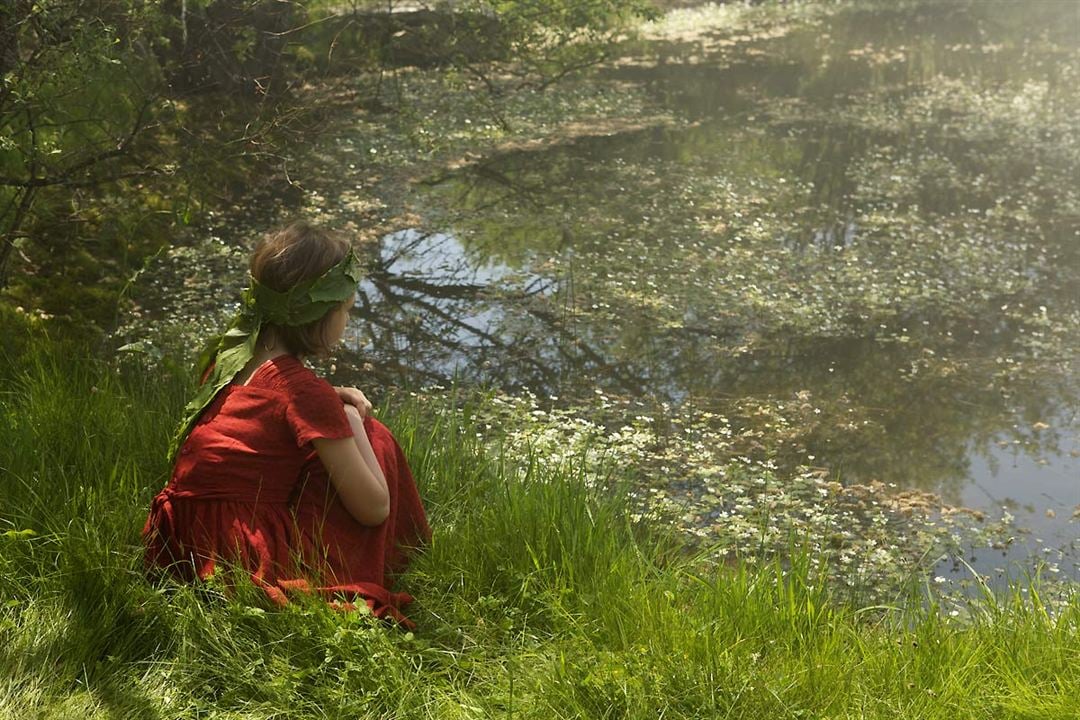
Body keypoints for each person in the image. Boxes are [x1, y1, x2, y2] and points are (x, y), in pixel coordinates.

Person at [143, 220, 430, 626]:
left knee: (330, 447)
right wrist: (347, 416)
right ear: (320, 315)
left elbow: (270, 410)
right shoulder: (303, 393)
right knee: (373, 436)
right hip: (238, 553)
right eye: (346, 311)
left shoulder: (233, 360)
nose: (347, 322)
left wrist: (328, 399)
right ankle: (398, 556)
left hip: (184, 536)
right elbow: (374, 508)